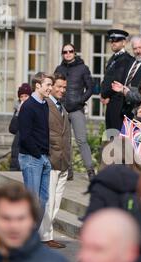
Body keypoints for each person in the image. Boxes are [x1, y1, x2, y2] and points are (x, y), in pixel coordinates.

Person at [54, 43, 95, 180]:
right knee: (65, 141)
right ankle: (68, 171)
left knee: (81, 140)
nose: (68, 54)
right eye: (65, 52)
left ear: (74, 52)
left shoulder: (83, 68)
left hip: (77, 109)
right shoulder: (59, 69)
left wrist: (81, 100)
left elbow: (91, 88)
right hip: (62, 109)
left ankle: (90, 170)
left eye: (70, 51)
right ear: (62, 54)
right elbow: (55, 88)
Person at [39, 73, 70, 249]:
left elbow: (67, 134)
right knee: (49, 200)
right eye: (58, 86)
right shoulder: (46, 104)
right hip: (51, 159)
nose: (61, 90)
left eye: (64, 87)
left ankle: (46, 233)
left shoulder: (61, 106)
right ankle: (45, 236)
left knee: (56, 201)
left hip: (63, 160)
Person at [18, 72, 53, 224]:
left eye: (51, 85)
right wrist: (38, 155)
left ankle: (31, 236)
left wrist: (45, 156)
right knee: (33, 201)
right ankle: (27, 239)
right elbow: (25, 136)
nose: (50, 88)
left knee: (43, 199)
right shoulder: (28, 106)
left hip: (43, 157)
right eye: (48, 85)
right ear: (38, 86)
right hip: (32, 158)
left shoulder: (44, 104)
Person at [101, 29, 134, 131]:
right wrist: (103, 94)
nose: (113, 43)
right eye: (112, 41)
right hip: (111, 101)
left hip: (118, 101)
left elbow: (117, 80)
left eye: (117, 41)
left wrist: (105, 94)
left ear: (124, 42)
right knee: (110, 133)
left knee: (116, 134)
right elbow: (107, 78)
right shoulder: (114, 58)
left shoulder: (126, 59)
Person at [9, 83, 32, 171]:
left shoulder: (34, 109)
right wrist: (18, 113)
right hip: (17, 148)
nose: (23, 98)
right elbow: (12, 129)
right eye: (21, 96)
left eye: (26, 96)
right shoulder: (18, 109)